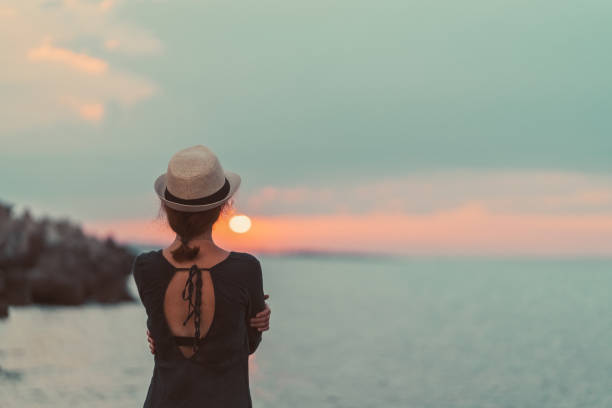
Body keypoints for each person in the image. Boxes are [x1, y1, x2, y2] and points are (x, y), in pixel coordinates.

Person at [132, 145, 271, 407]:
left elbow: (158, 340)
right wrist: (252, 319)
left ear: (166, 208)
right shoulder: (245, 270)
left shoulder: (145, 268)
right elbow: (248, 345)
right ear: (222, 208)